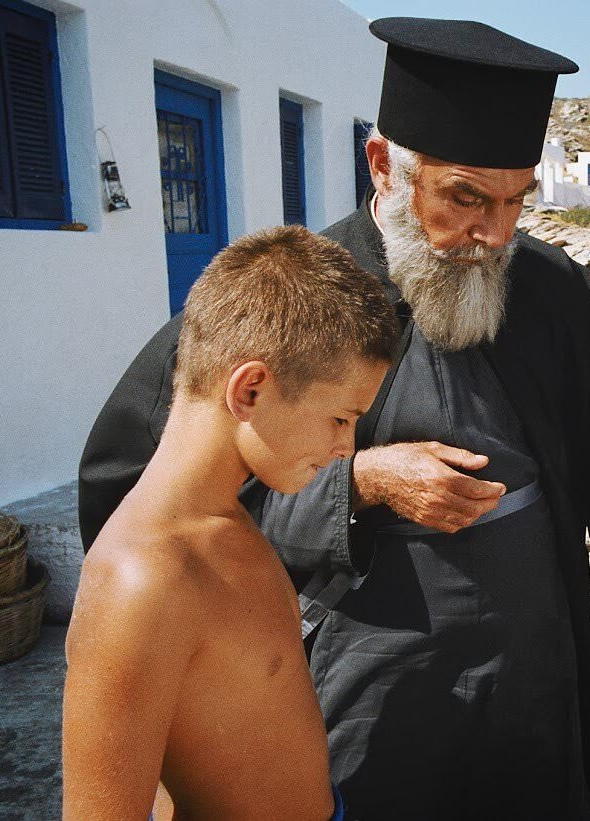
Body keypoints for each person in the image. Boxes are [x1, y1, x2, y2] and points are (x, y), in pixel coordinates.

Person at [79, 18, 590, 819]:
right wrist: (357, 481)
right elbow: (154, 496)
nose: (492, 234)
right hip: (369, 686)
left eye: (513, 202)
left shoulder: (561, 298)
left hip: (536, 681)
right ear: (384, 168)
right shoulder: (293, 304)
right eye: (464, 197)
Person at [63, 226, 396, 820]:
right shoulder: (140, 579)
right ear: (251, 390)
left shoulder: (226, 522)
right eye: (341, 418)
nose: (347, 448)